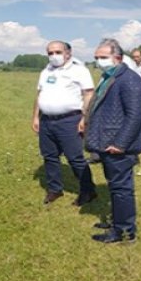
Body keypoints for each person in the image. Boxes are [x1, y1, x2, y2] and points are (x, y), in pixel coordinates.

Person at [84, 38, 141, 243]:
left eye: (103, 57)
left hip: (118, 146)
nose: (98, 61)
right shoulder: (110, 77)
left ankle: (125, 232)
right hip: (108, 143)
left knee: (122, 189)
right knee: (115, 186)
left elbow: (135, 116)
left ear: (118, 58)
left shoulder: (130, 80)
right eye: (96, 57)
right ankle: (117, 221)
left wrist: (120, 143)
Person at [32, 41, 97, 206]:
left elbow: (89, 94)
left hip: (69, 120)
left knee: (75, 158)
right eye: (50, 53)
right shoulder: (46, 71)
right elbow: (39, 95)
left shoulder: (79, 70)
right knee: (49, 156)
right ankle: (55, 189)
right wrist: (36, 117)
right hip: (47, 120)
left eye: (57, 52)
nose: (54, 56)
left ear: (68, 53)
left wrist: (84, 118)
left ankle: (88, 191)